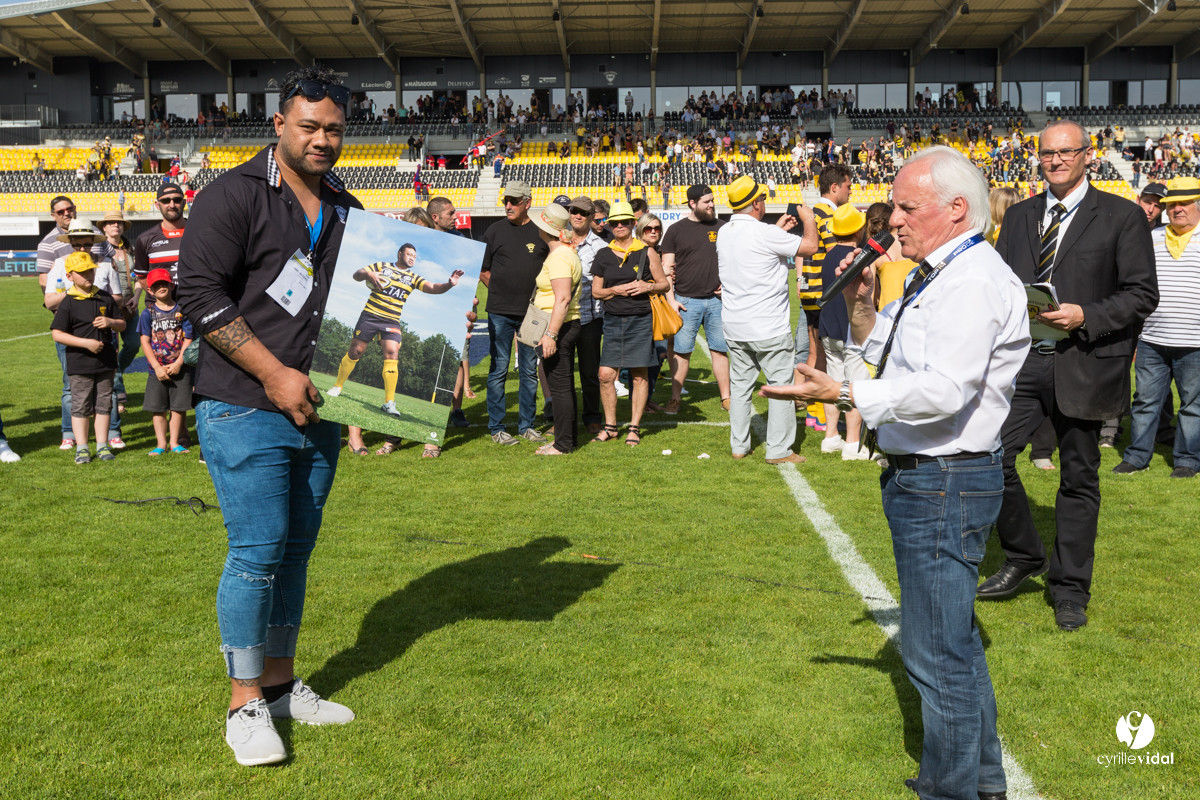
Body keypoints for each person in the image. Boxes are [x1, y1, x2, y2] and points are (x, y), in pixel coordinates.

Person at [762, 146, 1029, 800]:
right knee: (949, 647)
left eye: (909, 207)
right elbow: (885, 352)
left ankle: (951, 789)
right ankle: (980, 782)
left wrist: (844, 398)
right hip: (927, 474)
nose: (897, 220)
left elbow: (942, 391)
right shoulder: (935, 273)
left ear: (955, 209)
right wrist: (854, 305)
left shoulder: (971, 280)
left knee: (936, 654)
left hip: (944, 476)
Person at [176, 65, 361, 767]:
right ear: (278, 125)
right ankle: (244, 701)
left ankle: (281, 687)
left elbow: (357, 304)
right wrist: (274, 374)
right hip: (242, 404)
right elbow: (197, 293)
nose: (321, 139)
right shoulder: (232, 194)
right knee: (256, 552)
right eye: (308, 126)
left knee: (295, 553)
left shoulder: (346, 207)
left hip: (319, 411)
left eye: (334, 129)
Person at [978, 120, 1158, 632]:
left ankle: (1069, 590)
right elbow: (1000, 284)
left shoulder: (1122, 216)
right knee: (992, 454)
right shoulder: (1018, 217)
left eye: (1065, 152)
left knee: (1078, 478)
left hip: (1085, 359)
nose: (1055, 161)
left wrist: (1085, 315)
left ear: (1087, 155)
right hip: (1023, 361)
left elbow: (1143, 294)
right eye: (1047, 154)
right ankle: (1024, 554)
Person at [717, 175, 817, 464]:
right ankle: (779, 450)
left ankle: (739, 446)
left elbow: (755, 249)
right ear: (757, 203)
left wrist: (776, 230)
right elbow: (809, 246)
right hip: (768, 326)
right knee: (781, 388)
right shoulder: (764, 233)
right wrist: (807, 218)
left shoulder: (726, 232)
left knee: (740, 388)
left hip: (736, 325)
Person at [1112, 176, 1200, 478]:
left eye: (1184, 204)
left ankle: (1187, 460)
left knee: (1192, 406)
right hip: (1152, 338)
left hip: (1196, 342)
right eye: (1172, 204)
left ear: (1197, 206)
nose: (1177, 210)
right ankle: (1137, 456)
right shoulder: (1151, 238)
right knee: (1145, 401)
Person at [326, 242, 463, 417]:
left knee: (392, 353)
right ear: (399, 254)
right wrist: (368, 273)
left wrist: (449, 284)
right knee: (355, 352)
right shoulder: (381, 266)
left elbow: (433, 288)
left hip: (391, 320)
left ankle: (389, 402)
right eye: (409, 254)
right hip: (370, 315)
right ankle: (338, 386)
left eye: (414, 256)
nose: (412, 258)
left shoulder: (414, 277)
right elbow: (356, 275)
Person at [590, 200, 670, 445]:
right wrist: (616, 290)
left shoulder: (647, 251)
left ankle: (634, 427)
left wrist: (648, 286)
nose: (620, 226)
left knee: (639, 374)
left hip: (640, 319)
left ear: (634, 223)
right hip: (613, 320)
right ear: (610, 225)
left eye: (625, 222)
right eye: (615, 223)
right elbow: (596, 292)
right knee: (605, 375)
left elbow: (664, 284)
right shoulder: (603, 254)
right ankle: (611, 426)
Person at [481, 179, 551, 445]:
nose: (508, 205)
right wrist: (500, 290)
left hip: (531, 314)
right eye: (505, 201)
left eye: (513, 201)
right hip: (499, 311)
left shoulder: (541, 232)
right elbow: (484, 269)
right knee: (499, 369)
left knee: (529, 371)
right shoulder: (494, 231)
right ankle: (497, 428)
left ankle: (527, 426)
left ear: (527, 203)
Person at [50, 252, 126, 465]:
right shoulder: (68, 301)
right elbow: (57, 333)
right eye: (82, 272)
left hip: (106, 361)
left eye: (90, 271)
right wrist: (86, 344)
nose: (88, 276)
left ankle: (102, 445)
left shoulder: (104, 297)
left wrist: (110, 322)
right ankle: (82, 448)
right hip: (80, 362)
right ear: (69, 275)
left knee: (104, 404)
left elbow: (122, 324)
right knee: (81, 405)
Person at [661, 185, 730, 414]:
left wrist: (728, 283)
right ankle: (675, 398)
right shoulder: (675, 230)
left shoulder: (723, 228)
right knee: (682, 352)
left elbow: (735, 261)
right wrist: (671, 299)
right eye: (706, 202)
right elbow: (666, 268)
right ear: (692, 203)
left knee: (719, 350)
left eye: (712, 201)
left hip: (717, 302)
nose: (711, 205)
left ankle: (726, 398)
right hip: (686, 301)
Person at [817, 204, 871, 460]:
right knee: (854, 385)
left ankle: (830, 436)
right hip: (851, 328)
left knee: (834, 383)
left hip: (829, 327)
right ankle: (852, 443)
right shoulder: (860, 257)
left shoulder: (828, 254)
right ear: (858, 229)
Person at [528, 203, 584, 454]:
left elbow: (562, 298)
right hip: (560, 324)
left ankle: (563, 444)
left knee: (559, 388)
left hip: (557, 326)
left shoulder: (560, 255)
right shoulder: (564, 253)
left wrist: (550, 335)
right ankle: (565, 438)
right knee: (563, 386)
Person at [137, 268, 194, 455]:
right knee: (158, 409)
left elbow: (188, 338)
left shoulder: (181, 310)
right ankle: (161, 444)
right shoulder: (148, 313)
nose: (161, 287)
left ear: (171, 285)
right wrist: (156, 366)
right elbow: (144, 341)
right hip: (157, 371)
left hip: (179, 368)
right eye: (156, 285)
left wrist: (179, 363)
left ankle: (174, 442)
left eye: (164, 283)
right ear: (150, 291)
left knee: (178, 408)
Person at [568, 196, 609, 434]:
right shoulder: (558, 240)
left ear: (592, 217)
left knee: (589, 371)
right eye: (574, 210)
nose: (578, 215)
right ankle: (564, 417)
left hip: (590, 318)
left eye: (583, 212)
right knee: (562, 374)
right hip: (562, 317)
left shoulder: (601, 247)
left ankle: (593, 415)